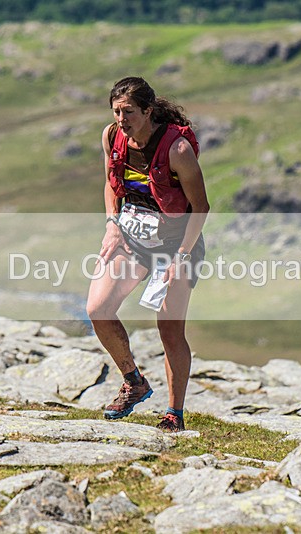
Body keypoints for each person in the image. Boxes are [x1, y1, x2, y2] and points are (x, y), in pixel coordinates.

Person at [86, 76, 209, 432]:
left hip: (176, 245)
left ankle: (174, 414)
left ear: (148, 111)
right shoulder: (111, 136)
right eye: (116, 111)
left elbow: (200, 207)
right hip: (132, 240)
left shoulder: (177, 151)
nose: (121, 119)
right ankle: (133, 381)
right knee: (97, 309)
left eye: (128, 112)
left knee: (169, 331)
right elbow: (112, 184)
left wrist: (182, 256)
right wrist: (112, 225)